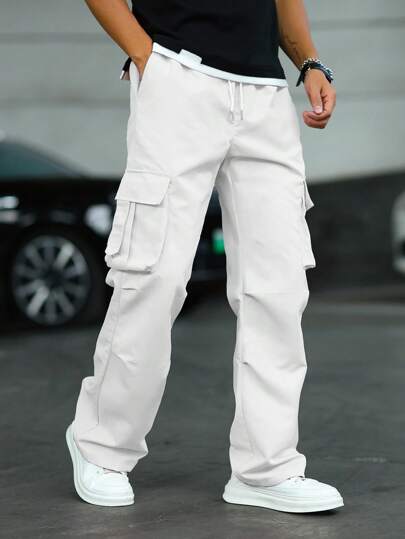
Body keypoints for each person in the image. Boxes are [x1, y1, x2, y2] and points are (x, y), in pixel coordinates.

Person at [66, 0, 343, 513]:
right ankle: (101, 446)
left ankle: (266, 469)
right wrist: (146, 57)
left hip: (265, 95)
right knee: (155, 275)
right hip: (179, 75)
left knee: (279, 290)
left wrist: (309, 63)